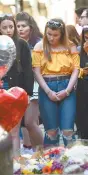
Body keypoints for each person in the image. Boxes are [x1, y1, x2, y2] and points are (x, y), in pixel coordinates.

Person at [32, 18, 79, 147]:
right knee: (51, 131)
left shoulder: (70, 46)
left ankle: (73, 162)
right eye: (49, 34)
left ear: (62, 34)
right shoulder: (39, 46)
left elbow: (76, 69)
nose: (51, 38)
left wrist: (68, 90)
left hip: (67, 85)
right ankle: (50, 163)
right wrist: (48, 91)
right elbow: (36, 71)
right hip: (47, 86)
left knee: (67, 130)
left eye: (55, 35)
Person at [0, 14, 34, 156]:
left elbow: (28, 70)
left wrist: (28, 93)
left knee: (15, 127)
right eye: (4, 27)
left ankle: (16, 160)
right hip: (2, 87)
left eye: (11, 27)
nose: (9, 30)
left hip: (17, 90)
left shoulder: (21, 44)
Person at [16, 12, 43, 150]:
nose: (20, 29)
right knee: (23, 123)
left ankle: (41, 150)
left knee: (31, 122)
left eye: (23, 26)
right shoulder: (13, 43)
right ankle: (29, 149)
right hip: (20, 85)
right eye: (18, 26)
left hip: (36, 84)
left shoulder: (38, 43)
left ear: (30, 28)